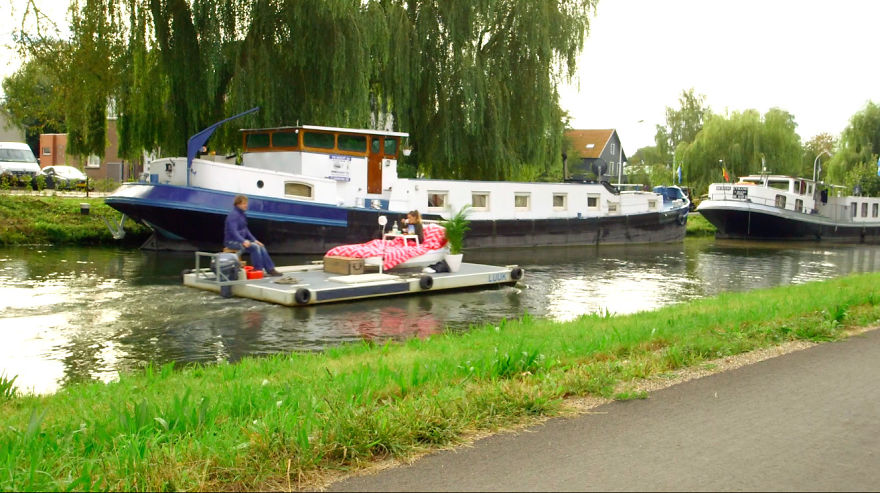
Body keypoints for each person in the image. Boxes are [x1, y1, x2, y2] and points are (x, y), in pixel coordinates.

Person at [224, 195, 282, 276]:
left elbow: (246, 230)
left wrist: (255, 240)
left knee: (260, 246)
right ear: (238, 204)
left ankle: (270, 269)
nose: (246, 205)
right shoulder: (233, 215)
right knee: (255, 247)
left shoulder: (242, 214)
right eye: (244, 203)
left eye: (246, 203)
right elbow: (233, 231)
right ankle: (258, 270)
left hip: (240, 240)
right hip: (231, 242)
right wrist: (243, 241)